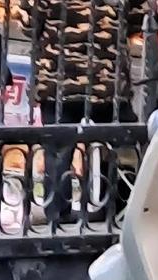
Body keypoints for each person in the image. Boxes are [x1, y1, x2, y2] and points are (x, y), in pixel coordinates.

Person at [31, 0, 133, 225]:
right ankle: (117, 211)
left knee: (58, 151)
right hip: (108, 75)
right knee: (118, 146)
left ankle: (57, 216)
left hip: (59, 77)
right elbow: (136, 17)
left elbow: (30, 22)